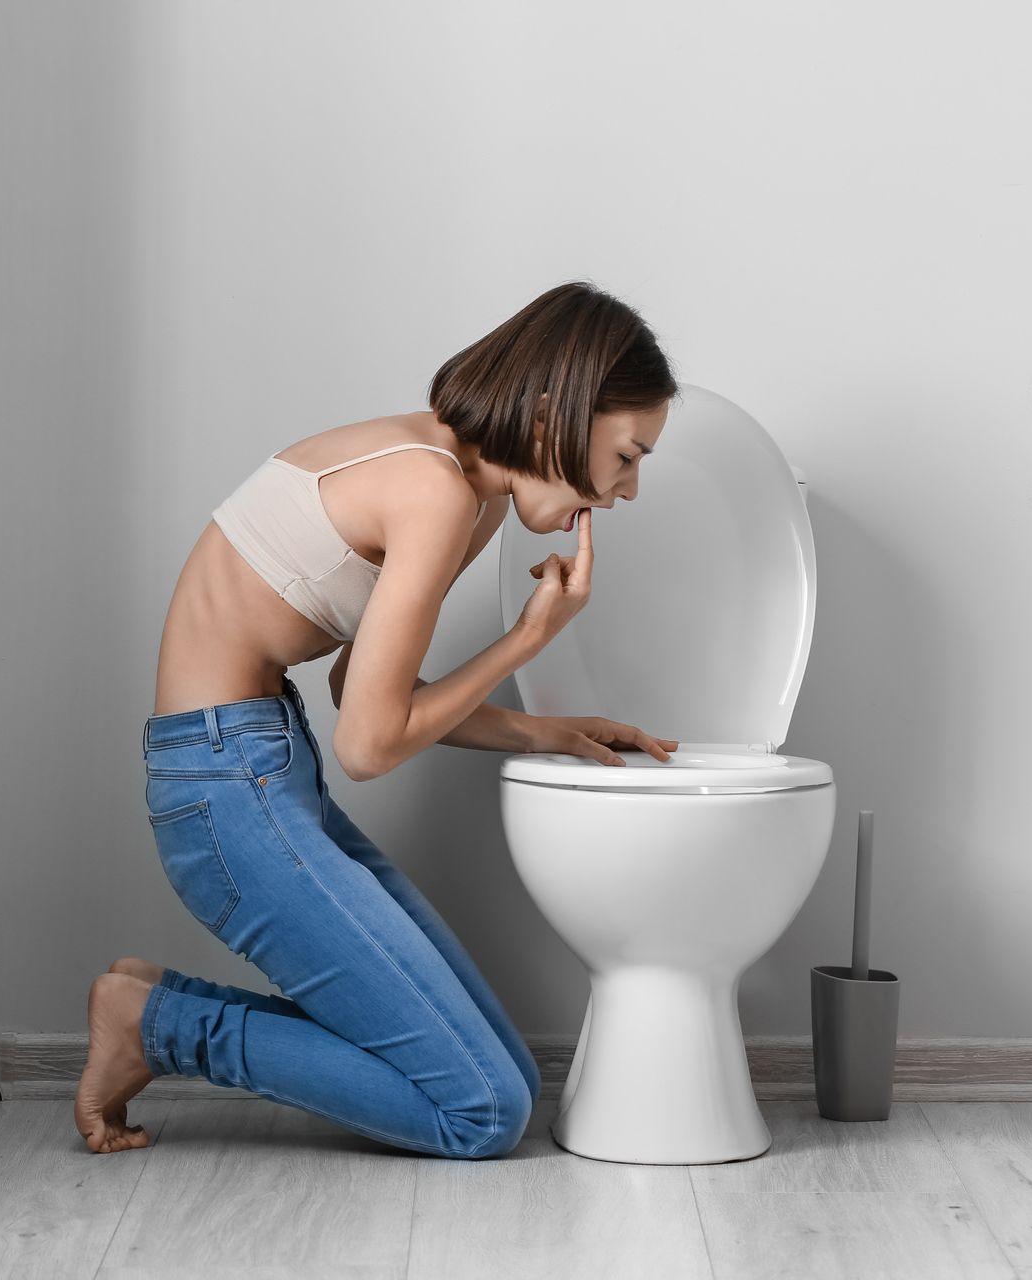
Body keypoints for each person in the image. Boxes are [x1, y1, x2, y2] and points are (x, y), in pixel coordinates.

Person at [74, 280, 682, 1157]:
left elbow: (364, 684)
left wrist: (548, 730)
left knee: (506, 1075)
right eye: (628, 455)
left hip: (256, 765)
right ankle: (160, 1028)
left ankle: (146, 1005)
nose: (626, 490)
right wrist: (527, 639)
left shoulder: (464, 490)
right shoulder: (431, 491)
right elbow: (367, 746)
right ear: (557, 413)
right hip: (223, 787)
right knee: (481, 1113)